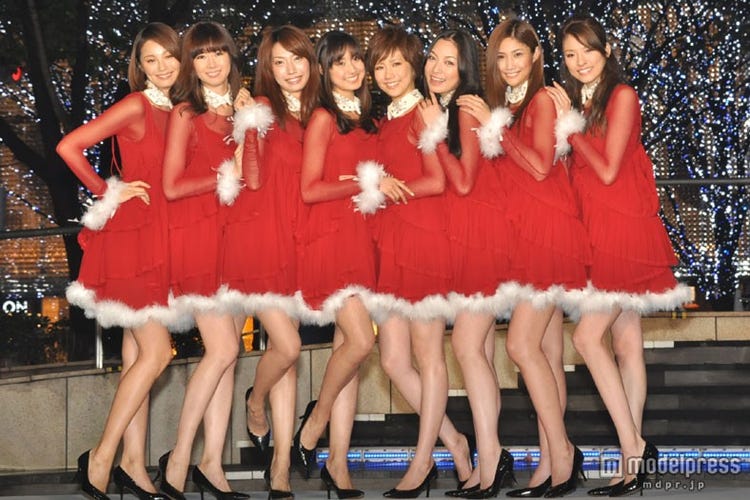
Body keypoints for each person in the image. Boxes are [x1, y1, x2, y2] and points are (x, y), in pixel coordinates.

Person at [546, 13, 690, 497]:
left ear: (606, 50)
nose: (579, 61)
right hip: (595, 229)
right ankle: (632, 461)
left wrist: (570, 130)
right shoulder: (584, 103)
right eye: (570, 54)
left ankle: (634, 445)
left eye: (587, 50)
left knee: (587, 338)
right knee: (626, 344)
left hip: (621, 228)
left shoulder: (622, 95)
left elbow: (608, 169)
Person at [459, 17, 591, 497]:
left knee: (519, 346)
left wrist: (493, 126)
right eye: (501, 57)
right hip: (524, 237)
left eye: (519, 54)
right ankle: (549, 463)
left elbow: (538, 166)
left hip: (547, 235)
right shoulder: (514, 105)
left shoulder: (539, 101)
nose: (510, 64)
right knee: (547, 353)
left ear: (536, 56)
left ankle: (563, 452)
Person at [57, 22, 181, 500]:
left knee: (137, 355)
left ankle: (132, 463)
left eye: (168, 55)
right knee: (158, 353)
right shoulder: (136, 105)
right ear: (139, 66)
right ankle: (101, 457)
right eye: (151, 59)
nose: (162, 66)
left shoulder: (179, 110)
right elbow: (68, 146)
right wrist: (107, 190)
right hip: (133, 240)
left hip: (161, 240)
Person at [291, 30, 410, 500]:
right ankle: (314, 423)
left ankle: (337, 465)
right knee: (362, 341)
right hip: (330, 240)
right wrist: (363, 183)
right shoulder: (323, 118)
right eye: (339, 62)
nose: (351, 68)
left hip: (365, 240)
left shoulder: (371, 120)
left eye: (356, 59)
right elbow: (309, 189)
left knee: (350, 353)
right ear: (324, 71)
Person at [364, 25, 474, 498]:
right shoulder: (382, 120)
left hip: (424, 240)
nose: (389, 73)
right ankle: (454, 441)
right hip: (391, 242)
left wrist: (390, 188)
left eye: (397, 64)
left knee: (428, 355)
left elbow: (437, 181)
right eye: (380, 65)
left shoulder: (423, 113)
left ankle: (422, 459)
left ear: (413, 67)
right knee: (392, 359)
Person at [416, 29, 515, 498]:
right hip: (461, 240)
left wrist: (434, 134)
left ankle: (490, 458)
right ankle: (488, 459)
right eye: (433, 58)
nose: (437, 68)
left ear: (465, 69)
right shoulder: (447, 108)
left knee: (466, 348)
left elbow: (464, 182)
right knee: (480, 354)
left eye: (449, 62)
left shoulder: (464, 109)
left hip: (481, 240)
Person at [225, 24, 320, 500]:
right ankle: (255, 401)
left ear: (311, 62)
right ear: (268, 68)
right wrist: (248, 125)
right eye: (278, 62)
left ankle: (280, 465)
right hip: (260, 236)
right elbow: (252, 178)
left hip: (302, 240)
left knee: (290, 357)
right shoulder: (261, 108)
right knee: (287, 345)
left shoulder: (322, 113)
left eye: (297, 58)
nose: (290, 70)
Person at [158, 21, 248, 500]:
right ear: (191, 64)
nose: (212, 63)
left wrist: (251, 125)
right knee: (223, 349)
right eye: (201, 55)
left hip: (237, 240)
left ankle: (212, 463)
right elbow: (172, 185)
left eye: (219, 53)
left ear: (231, 56)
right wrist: (222, 175)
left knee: (230, 357)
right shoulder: (185, 113)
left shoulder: (244, 108)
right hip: (197, 238)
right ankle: (178, 460)